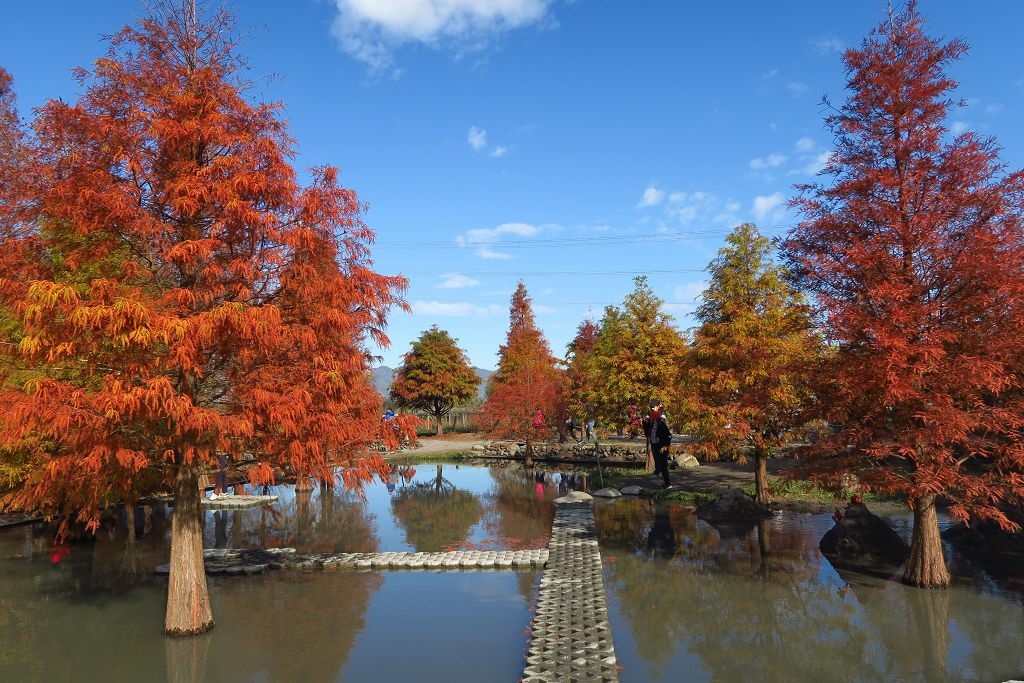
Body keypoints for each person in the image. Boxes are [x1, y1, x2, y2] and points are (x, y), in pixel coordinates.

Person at [644, 399, 673, 488]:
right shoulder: (651, 423)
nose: (652, 420)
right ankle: (658, 471)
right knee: (658, 462)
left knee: (663, 464)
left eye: (653, 419)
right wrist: (645, 423)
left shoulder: (661, 424)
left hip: (662, 446)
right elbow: (647, 432)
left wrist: (665, 446)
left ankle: (668, 484)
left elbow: (668, 436)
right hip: (654, 444)